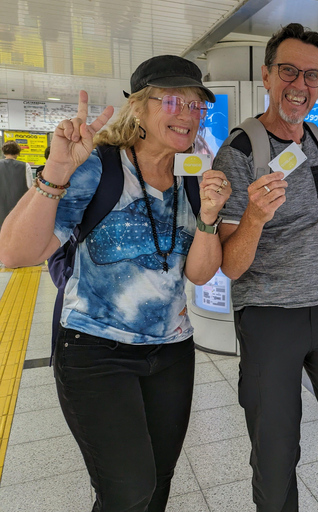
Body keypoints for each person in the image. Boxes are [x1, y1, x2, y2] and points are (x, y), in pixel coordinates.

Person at [0, 55, 231, 511]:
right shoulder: (98, 166)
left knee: (159, 482)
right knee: (128, 489)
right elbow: (13, 253)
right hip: (95, 350)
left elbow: (200, 274)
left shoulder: (192, 176)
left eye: (196, 105)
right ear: (139, 108)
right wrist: (58, 171)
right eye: (172, 100)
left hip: (172, 352)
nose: (187, 113)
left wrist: (207, 218)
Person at [214, 23, 318, 512]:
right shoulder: (239, 152)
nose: (300, 84)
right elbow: (230, 265)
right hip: (269, 316)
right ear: (267, 75)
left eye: (312, 75)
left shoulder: (316, 137)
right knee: (275, 453)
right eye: (288, 70)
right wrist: (254, 216)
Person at [0, 141, 33, 226]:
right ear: (17, 152)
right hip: (19, 204)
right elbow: (30, 187)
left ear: (4, 152)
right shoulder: (25, 166)